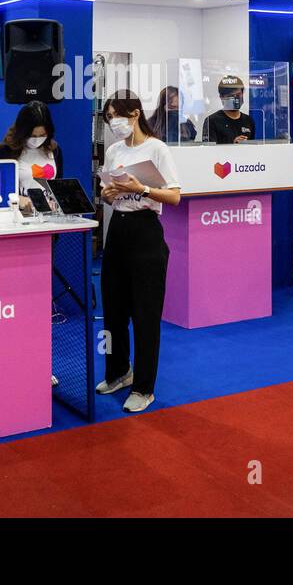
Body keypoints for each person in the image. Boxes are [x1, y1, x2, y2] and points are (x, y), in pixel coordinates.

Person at [97, 94, 182, 413]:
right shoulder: (113, 151)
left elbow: (174, 196)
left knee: (145, 314)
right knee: (113, 309)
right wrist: (107, 194)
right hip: (117, 229)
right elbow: (108, 196)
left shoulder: (157, 148)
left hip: (147, 232)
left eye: (114, 116)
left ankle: (144, 387)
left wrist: (141, 189)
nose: (112, 123)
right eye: (107, 118)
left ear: (134, 114)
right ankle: (118, 372)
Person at [0, 101, 64, 194]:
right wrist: (18, 199)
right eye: (32, 136)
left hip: (49, 207)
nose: (37, 140)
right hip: (17, 207)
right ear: (22, 132)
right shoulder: (4, 152)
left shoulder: (55, 151)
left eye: (42, 135)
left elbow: (57, 185)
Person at [201, 75, 255, 144]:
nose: (235, 99)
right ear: (221, 97)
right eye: (231, 96)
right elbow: (208, 151)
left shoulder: (248, 120)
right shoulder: (211, 121)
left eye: (238, 95)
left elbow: (253, 148)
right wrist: (232, 144)